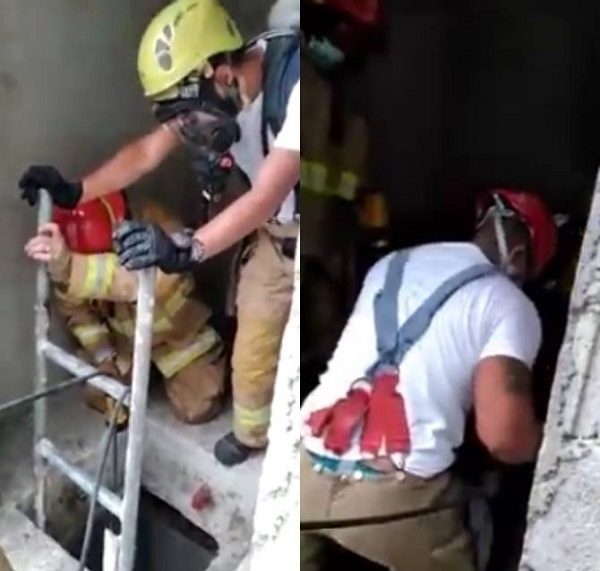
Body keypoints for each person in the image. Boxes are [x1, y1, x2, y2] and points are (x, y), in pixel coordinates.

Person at [18, 0, 300, 466]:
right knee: (254, 351)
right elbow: (147, 152)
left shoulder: (292, 91)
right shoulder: (213, 89)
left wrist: (186, 248)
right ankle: (253, 438)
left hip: (298, 222)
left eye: (189, 119)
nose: (187, 132)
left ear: (220, 75)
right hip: (273, 239)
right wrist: (75, 190)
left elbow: (265, 195)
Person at [299, 189, 558, 570]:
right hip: (393, 501)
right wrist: (550, 448)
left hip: (304, 466)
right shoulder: (509, 304)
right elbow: (503, 438)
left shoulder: (391, 263)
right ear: (520, 259)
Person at [24, 190, 226, 428]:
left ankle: (218, 349)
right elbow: (78, 314)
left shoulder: (161, 231)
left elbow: (141, 282)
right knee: (100, 394)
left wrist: (72, 267)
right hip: (126, 343)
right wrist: (104, 357)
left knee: (198, 406)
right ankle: (140, 375)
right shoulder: (73, 254)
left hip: (178, 338)